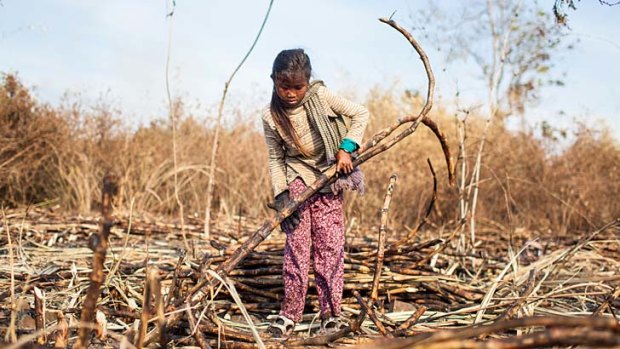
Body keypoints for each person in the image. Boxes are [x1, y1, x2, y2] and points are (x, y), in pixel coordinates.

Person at [261, 48, 369, 338]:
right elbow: (276, 159)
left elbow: (361, 113)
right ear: (274, 81)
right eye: (285, 86)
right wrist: (282, 197)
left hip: (329, 178)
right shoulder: (271, 116)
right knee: (296, 247)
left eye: (298, 86)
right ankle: (290, 314)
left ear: (307, 81)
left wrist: (346, 148)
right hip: (297, 180)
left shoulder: (322, 97)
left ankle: (331, 314)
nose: (292, 93)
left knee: (330, 246)